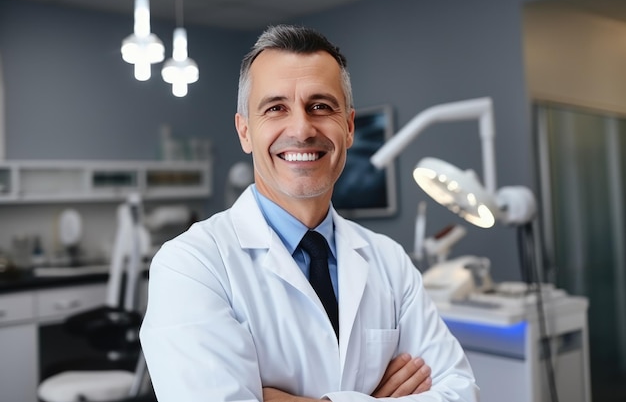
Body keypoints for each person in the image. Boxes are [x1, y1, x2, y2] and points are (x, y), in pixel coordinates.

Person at [139, 24, 478, 402]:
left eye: (320, 106)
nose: (301, 128)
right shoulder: (191, 265)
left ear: (348, 127)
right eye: (276, 108)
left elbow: (460, 392)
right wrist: (373, 398)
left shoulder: (389, 261)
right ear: (245, 132)